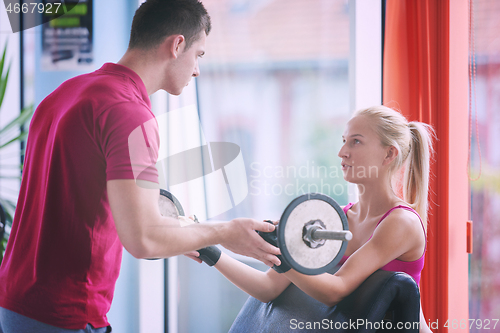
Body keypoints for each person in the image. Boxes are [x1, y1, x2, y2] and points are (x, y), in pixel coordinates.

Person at [0, 1, 281, 332]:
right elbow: (143, 238)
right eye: (199, 55)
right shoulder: (129, 114)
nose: (197, 70)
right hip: (64, 312)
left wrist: (186, 233)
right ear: (177, 45)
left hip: (15, 301)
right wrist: (227, 232)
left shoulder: (65, 93)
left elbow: (98, 203)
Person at [199, 105, 434, 333]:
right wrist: (208, 250)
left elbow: (336, 291)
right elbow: (268, 288)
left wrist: (277, 250)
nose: (342, 152)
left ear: (389, 154)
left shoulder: (401, 223)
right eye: (344, 141)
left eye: (356, 141)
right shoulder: (335, 218)